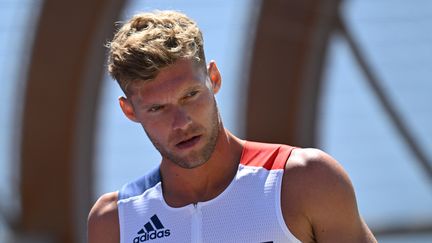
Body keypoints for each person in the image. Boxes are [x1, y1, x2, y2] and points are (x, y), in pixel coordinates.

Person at [88, 10, 377, 243]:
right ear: (130, 111)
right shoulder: (115, 221)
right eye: (157, 108)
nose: (181, 122)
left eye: (190, 95)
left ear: (213, 78)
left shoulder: (305, 180)